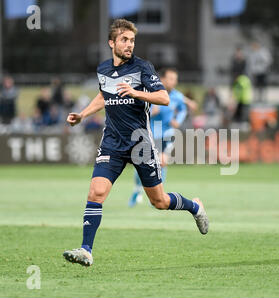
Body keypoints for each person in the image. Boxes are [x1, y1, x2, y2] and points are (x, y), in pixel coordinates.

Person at [63, 19, 209, 267]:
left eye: (131, 40)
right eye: (124, 40)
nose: (129, 45)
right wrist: (84, 114)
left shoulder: (142, 67)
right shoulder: (104, 70)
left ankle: (194, 206)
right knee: (96, 193)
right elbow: (103, 95)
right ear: (112, 43)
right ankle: (86, 250)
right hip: (112, 143)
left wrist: (136, 92)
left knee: (159, 202)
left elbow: (163, 97)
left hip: (140, 143)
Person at [128, 67, 188, 207]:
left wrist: (178, 120)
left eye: (175, 79)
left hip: (167, 134)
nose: (174, 82)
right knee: (142, 165)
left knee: (162, 162)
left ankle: (159, 195)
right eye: (171, 78)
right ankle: (137, 190)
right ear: (163, 79)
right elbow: (137, 111)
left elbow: (183, 109)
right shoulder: (152, 93)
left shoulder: (177, 96)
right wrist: (150, 112)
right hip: (149, 134)